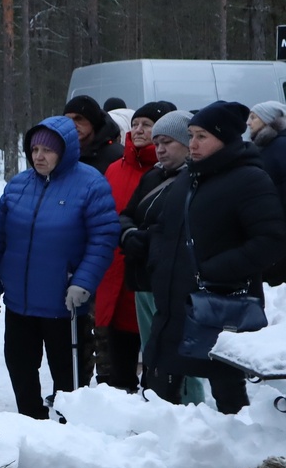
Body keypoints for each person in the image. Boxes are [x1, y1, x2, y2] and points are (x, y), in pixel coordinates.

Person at [142, 101, 286, 414]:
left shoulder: (250, 179)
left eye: (201, 136)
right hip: (172, 309)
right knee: (157, 401)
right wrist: (155, 261)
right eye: (191, 135)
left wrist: (215, 271)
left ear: (224, 138)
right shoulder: (186, 179)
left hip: (222, 309)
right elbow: (162, 229)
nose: (192, 143)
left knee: (228, 397)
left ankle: (232, 459)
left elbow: (271, 242)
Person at [0, 116, 119, 420]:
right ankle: (30, 421)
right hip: (20, 302)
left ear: (65, 151)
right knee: (19, 364)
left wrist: (83, 281)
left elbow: (104, 238)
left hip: (64, 303)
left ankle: (71, 430)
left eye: (47, 150)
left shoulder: (90, 184)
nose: (38, 156)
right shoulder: (18, 185)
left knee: (68, 376)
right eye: (34, 149)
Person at [116, 110, 204, 404]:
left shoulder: (195, 180)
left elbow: (183, 227)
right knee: (151, 348)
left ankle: (192, 408)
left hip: (174, 282)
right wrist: (129, 234)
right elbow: (127, 214)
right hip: (143, 276)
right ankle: (157, 402)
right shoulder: (153, 175)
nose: (161, 148)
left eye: (168, 141)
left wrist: (146, 238)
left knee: (181, 353)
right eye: (158, 142)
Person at [93, 101, 175, 392]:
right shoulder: (115, 167)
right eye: (136, 123)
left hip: (150, 271)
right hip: (114, 267)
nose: (138, 130)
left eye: (147, 125)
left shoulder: (168, 170)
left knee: (155, 352)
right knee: (117, 353)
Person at [246, 101, 286, 285]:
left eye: (253, 117)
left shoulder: (279, 147)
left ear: (268, 120)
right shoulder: (267, 146)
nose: (248, 122)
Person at [64, 95, 123, 176]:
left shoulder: (117, 155)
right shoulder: (61, 153)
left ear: (93, 122)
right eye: (67, 120)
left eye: (79, 119)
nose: (72, 124)